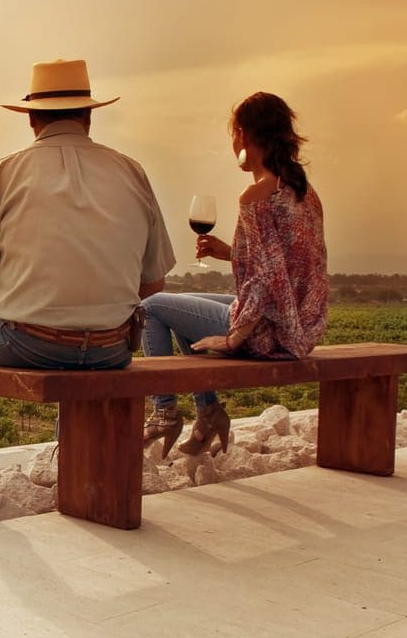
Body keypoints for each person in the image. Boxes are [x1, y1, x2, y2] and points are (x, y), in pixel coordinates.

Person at [0, 58, 175, 493]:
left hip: (27, 344)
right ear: (89, 115)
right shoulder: (132, 171)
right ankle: (76, 455)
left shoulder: (0, 174)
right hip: (113, 348)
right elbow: (153, 285)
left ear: (31, 117)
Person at [140, 92, 329, 458]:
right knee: (181, 307)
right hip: (296, 328)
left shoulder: (255, 195)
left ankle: (164, 411)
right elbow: (290, 266)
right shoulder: (303, 192)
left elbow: (264, 280)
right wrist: (230, 253)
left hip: (267, 333)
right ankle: (208, 412)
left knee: (152, 305)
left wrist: (234, 338)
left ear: (242, 134)